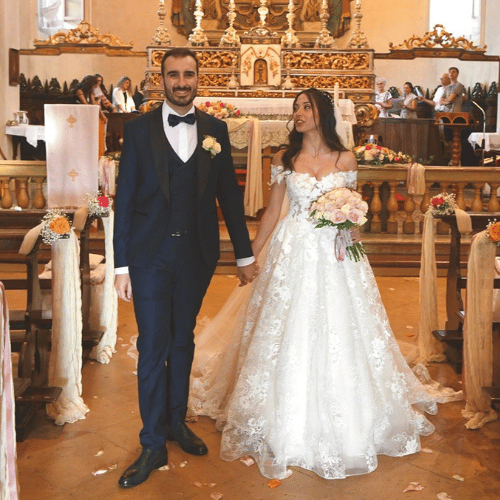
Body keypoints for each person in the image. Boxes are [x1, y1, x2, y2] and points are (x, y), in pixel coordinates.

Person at [188, 88, 437, 480]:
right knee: (289, 326)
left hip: (336, 254)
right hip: (293, 250)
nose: (299, 113)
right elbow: (273, 211)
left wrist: (352, 241)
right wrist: (250, 255)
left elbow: (352, 210)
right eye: (296, 108)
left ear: (323, 113)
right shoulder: (285, 159)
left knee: (339, 328)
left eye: (306, 107)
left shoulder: (345, 158)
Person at [113, 47, 258, 488]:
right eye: (173, 75)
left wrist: (245, 255)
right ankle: (152, 442)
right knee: (152, 345)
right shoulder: (137, 130)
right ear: (162, 79)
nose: (181, 82)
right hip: (149, 256)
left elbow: (229, 196)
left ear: (198, 78)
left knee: (182, 340)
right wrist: (121, 265)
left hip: (197, 254)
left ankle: (176, 421)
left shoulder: (215, 129)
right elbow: (125, 200)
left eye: (188, 74)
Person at [74, 74, 108, 157]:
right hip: (81, 116)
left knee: (102, 120)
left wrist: (102, 113)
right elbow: (86, 105)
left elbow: (95, 104)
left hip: (90, 114)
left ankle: (99, 151)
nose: (95, 86)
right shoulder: (80, 91)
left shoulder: (91, 92)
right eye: (94, 85)